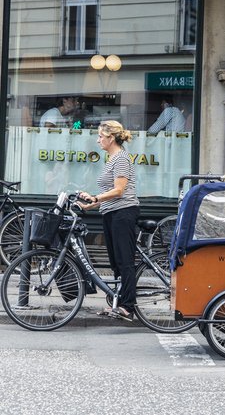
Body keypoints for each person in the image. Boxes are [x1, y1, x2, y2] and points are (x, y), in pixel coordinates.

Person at [79, 120, 140, 321]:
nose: (98, 141)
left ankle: (127, 307)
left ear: (111, 138)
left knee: (124, 261)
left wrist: (96, 198)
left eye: (100, 137)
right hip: (110, 212)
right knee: (115, 262)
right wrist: (92, 204)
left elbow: (119, 191)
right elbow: (109, 192)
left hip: (123, 213)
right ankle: (118, 303)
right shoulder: (112, 158)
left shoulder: (121, 158)